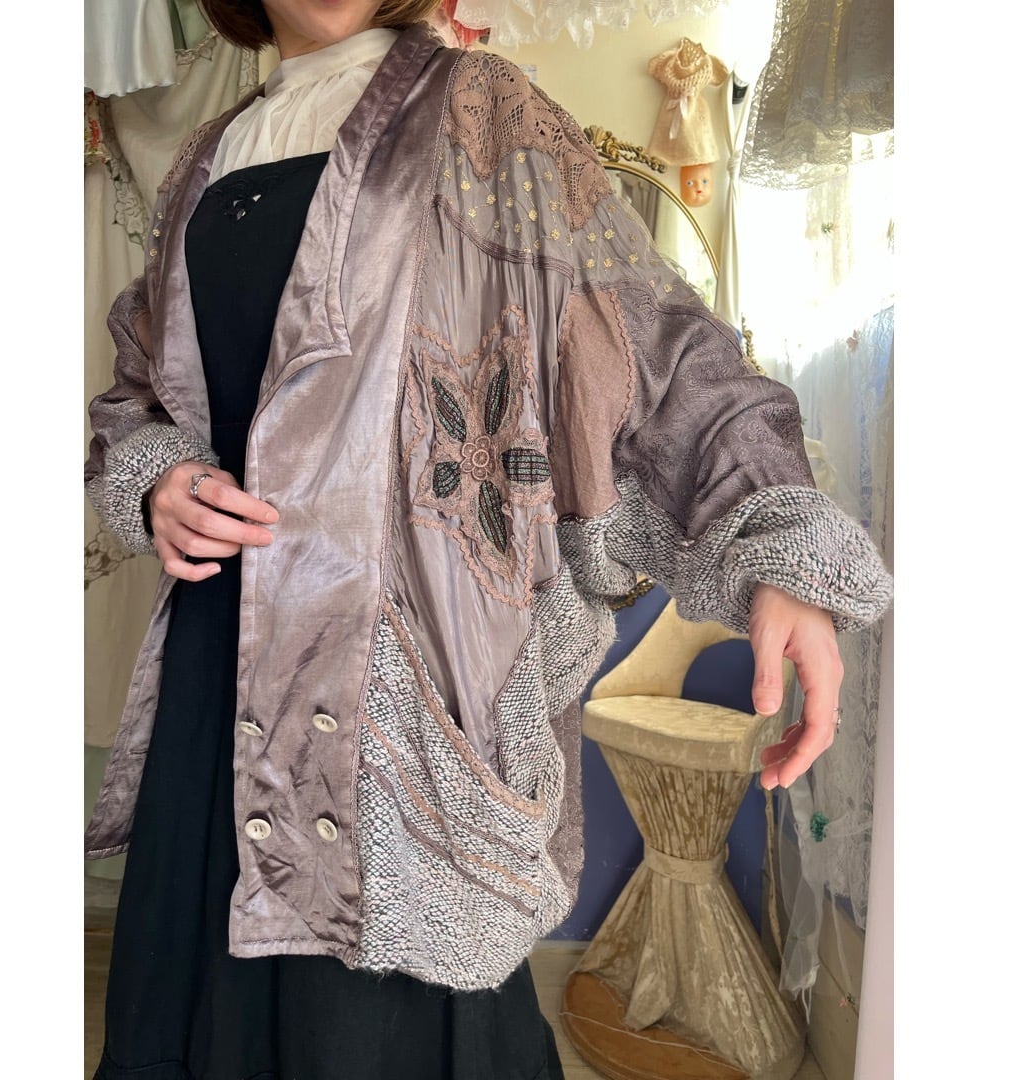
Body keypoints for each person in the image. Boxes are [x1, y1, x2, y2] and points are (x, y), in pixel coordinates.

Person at [84, 2, 894, 1078]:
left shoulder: (486, 113)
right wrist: (158, 479)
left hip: (407, 700)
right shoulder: (210, 152)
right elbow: (140, 391)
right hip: (215, 682)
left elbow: (655, 347)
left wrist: (778, 545)